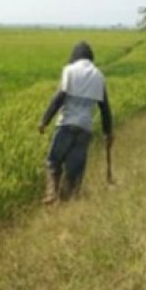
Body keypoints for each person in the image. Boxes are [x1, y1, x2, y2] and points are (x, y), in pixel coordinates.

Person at [38, 41, 114, 203]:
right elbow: (104, 108)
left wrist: (45, 120)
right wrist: (108, 133)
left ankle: (52, 193)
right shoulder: (99, 76)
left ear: (75, 56)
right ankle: (66, 203)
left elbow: (59, 97)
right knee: (74, 170)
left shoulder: (70, 70)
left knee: (54, 161)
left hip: (66, 125)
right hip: (85, 129)